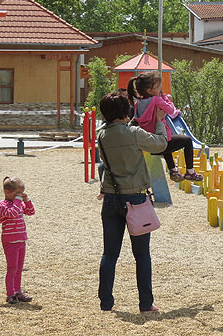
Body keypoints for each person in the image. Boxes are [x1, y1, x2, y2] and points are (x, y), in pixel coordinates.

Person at [97, 90, 168, 313]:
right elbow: (160, 144)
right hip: (136, 198)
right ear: (124, 111)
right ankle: (146, 304)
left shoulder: (102, 135)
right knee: (142, 255)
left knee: (110, 254)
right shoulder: (134, 133)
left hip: (111, 198)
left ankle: (106, 303)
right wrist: (158, 122)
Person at [127, 71, 202, 182]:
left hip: (147, 143)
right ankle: (190, 172)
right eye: (158, 87)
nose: (160, 89)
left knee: (168, 138)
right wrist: (166, 99)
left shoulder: (138, 103)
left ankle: (173, 170)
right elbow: (171, 110)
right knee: (187, 140)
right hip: (159, 144)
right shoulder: (156, 100)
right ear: (149, 91)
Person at [0, 176, 35, 304]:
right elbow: (12, 213)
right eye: (17, 194)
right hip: (10, 242)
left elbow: (31, 212)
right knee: (12, 268)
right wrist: (18, 201)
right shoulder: (2, 205)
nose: (19, 197)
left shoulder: (18, 203)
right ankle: (10, 294)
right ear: (7, 192)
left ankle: (18, 290)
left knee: (19, 268)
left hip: (21, 240)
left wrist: (26, 201)